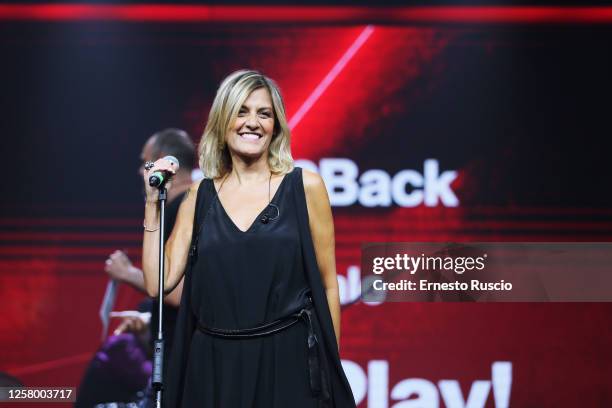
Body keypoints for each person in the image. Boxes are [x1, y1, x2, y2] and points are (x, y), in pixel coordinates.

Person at [142, 70, 356, 407]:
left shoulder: (305, 187)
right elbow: (158, 284)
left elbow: (328, 284)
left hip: (287, 363)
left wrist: (328, 364)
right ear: (222, 120)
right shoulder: (201, 195)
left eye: (264, 113)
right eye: (241, 111)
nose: (252, 122)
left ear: (276, 126)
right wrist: (153, 206)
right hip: (214, 366)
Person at [75, 129, 195, 408]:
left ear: (165, 165)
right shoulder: (184, 205)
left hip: (179, 370)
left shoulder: (181, 209)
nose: (140, 171)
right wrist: (149, 321)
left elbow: (179, 292)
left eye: (145, 163)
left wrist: (128, 273)